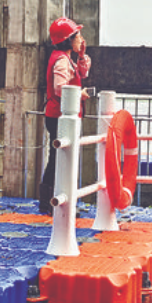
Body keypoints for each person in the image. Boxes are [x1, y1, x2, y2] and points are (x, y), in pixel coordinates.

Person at [39, 16, 91, 214]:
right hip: (60, 116)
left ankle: (52, 202)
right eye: (78, 36)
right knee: (59, 160)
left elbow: (83, 73)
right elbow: (59, 88)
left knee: (58, 159)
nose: (81, 39)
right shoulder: (61, 60)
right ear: (68, 39)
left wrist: (82, 55)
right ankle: (52, 203)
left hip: (59, 115)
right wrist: (80, 94)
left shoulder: (65, 58)